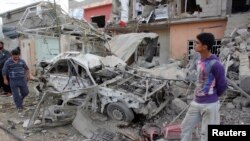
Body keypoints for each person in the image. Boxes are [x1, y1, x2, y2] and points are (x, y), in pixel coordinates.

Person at [181, 33, 227, 141]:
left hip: (210, 105)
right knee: (185, 127)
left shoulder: (216, 64)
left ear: (205, 47)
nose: (194, 45)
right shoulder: (199, 60)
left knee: (206, 134)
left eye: (197, 43)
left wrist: (212, 96)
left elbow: (222, 85)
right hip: (196, 102)